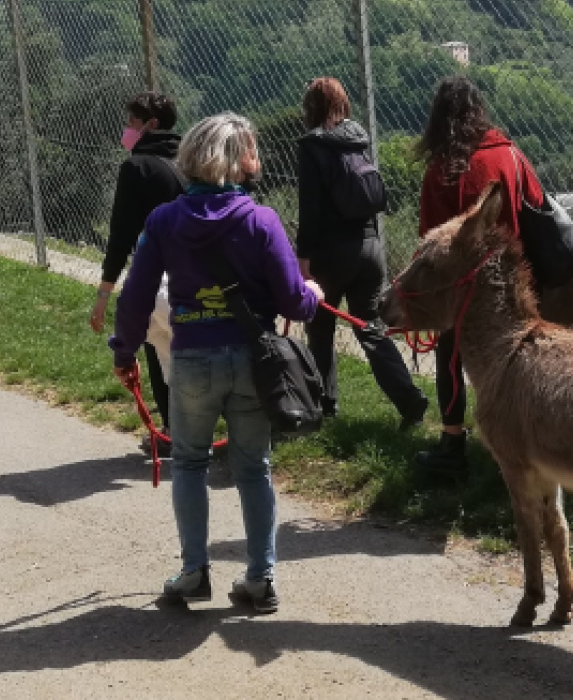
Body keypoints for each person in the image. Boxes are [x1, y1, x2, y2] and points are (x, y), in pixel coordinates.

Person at [109, 112, 322, 613]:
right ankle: (260, 578)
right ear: (237, 160)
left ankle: (193, 572)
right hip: (253, 360)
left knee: (189, 463)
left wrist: (124, 352)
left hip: (192, 361)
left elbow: (135, 299)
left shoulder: (163, 221)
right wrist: (314, 295)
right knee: (254, 468)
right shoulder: (262, 220)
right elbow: (293, 302)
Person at [409, 76, 548, 479]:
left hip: (465, 291)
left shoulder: (442, 169)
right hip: (515, 282)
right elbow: (537, 204)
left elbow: (431, 238)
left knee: (450, 355)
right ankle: (525, 438)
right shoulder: (509, 154)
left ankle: (453, 445)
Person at [294, 77, 428, 428]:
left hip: (330, 252)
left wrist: (303, 259)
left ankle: (325, 407)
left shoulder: (313, 146)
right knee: (371, 327)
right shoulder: (358, 138)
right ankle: (409, 400)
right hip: (370, 248)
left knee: (320, 327)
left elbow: (310, 209)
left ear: (311, 107)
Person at [93, 91, 187, 453]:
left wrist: (104, 293)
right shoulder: (190, 159)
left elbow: (120, 236)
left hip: (159, 277)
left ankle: (172, 431)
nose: (127, 129)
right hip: (203, 270)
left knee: (159, 345)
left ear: (151, 125)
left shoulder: (137, 168)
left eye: (132, 122)